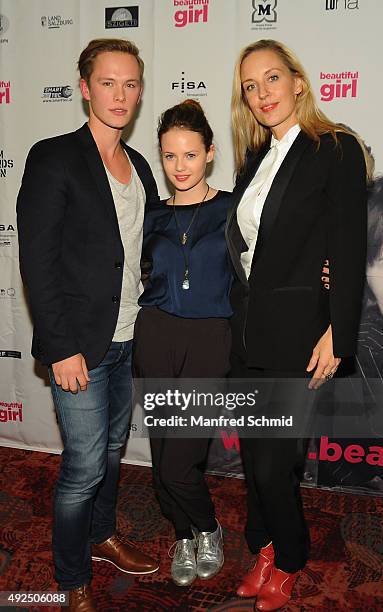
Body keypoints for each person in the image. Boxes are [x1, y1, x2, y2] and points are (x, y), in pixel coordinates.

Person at [226, 39, 371, 611]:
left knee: (274, 461)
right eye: (250, 86)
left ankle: (288, 559)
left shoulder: (333, 148)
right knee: (256, 454)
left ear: (299, 82)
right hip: (249, 332)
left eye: (271, 79)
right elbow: (248, 250)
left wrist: (338, 330)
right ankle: (262, 548)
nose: (262, 93)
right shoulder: (256, 160)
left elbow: (349, 247)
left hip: (301, 334)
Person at [17, 38, 159, 611]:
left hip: (129, 337)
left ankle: (102, 537)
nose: (120, 95)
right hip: (79, 345)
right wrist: (59, 346)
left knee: (111, 453)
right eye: (108, 82)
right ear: (84, 88)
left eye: (130, 84)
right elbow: (37, 260)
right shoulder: (53, 156)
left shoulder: (142, 164)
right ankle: (72, 576)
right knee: (80, 468)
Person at [133, 100, 232, 586]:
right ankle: (183, 535)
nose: (180, 167)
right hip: (155, 334)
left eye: (190, 155)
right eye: (170, 156)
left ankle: (210, 528)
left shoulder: (233, 209)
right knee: (163, 450)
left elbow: (277, 257)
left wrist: (325, 275)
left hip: (210, 337)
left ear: (210, 153)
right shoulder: (151, 216)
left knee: (179, 461)